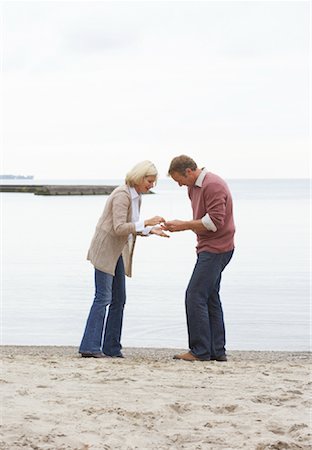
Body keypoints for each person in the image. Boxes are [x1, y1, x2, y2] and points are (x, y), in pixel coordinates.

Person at [79, 161, 169, 358]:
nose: (152, 185)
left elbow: (131, 226)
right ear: (139, 177)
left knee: (119, 299)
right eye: (150, 181)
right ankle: (90, 347)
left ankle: (111, 348)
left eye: (154, 182)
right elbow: (119, 227)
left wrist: (150, 230)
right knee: (103, 297)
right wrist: (146, 222)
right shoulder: (122, 195)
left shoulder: (136, 197)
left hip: (118, 251)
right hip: (106, 250)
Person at [163, 155, 235, 362]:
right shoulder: (193, 187)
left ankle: (200, 351)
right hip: (208, 247)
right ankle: (216, 351)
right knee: (210, 297)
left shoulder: (213, 185)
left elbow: (214, 222)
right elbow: (202, 219)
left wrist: (183, 225)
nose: (179, 185)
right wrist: (181, 226)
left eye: (179, 180)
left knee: (194, 295)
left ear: (189, 171)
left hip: (217, 248)